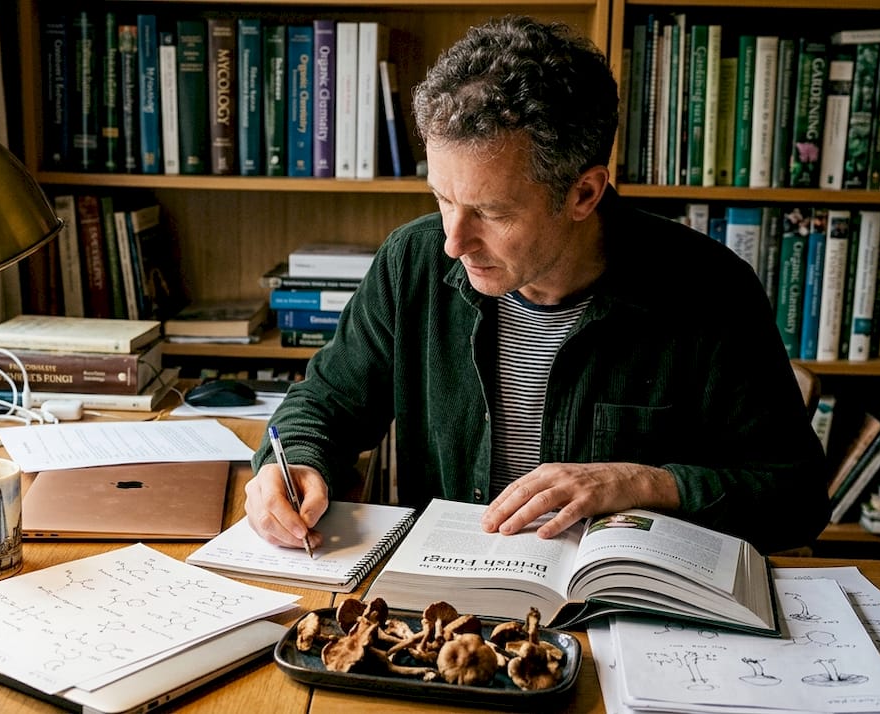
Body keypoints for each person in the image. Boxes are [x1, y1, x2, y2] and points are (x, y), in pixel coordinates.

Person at [244, 15, 829, 555]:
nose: (454, 243)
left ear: (583, 193)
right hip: (445, 604)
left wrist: (641, 483)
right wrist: (292, 465)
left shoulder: (710, 289)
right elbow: (324, 404)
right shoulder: (412, 262)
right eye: (443, 199)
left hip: (621, 607)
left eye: (491, 213)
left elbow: (796, 500)